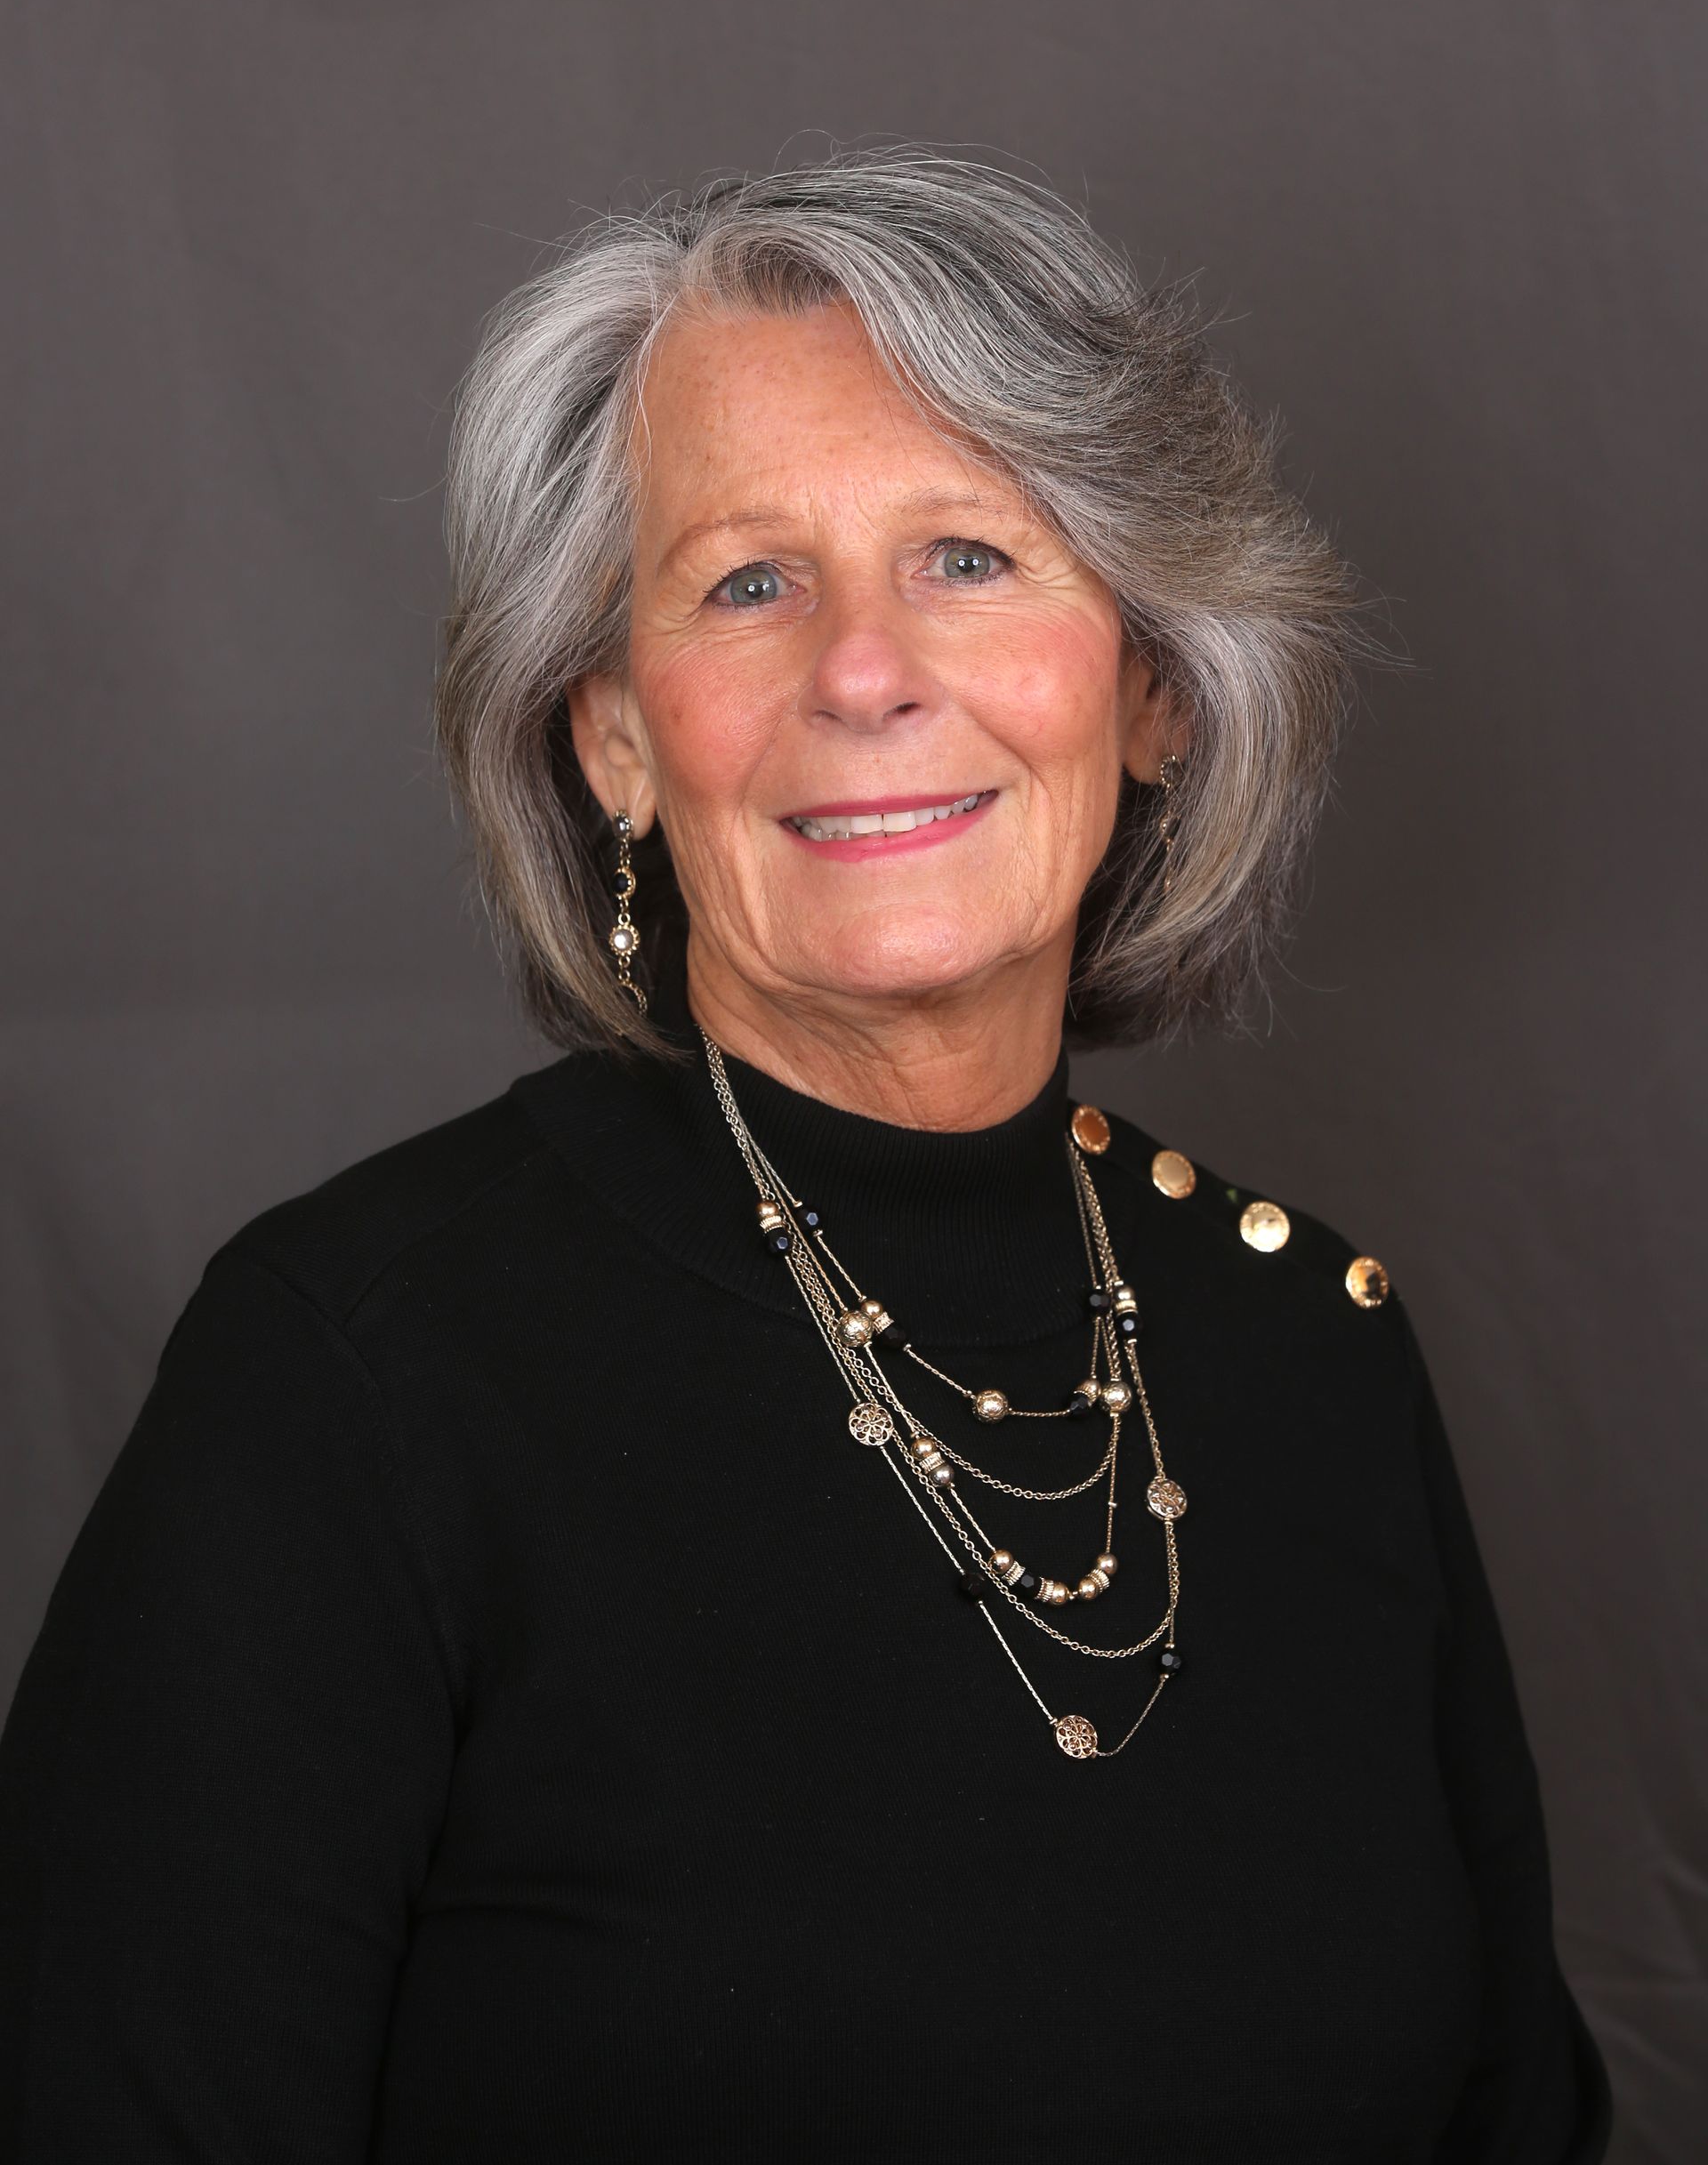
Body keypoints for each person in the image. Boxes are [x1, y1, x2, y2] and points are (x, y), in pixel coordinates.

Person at [0, 153, 1610, 2161]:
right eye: (749, 581)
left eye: (970, 554)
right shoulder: (351, 1380)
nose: (863, 668)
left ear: (1155, 689)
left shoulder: (1318, 1352)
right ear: (610, 731)